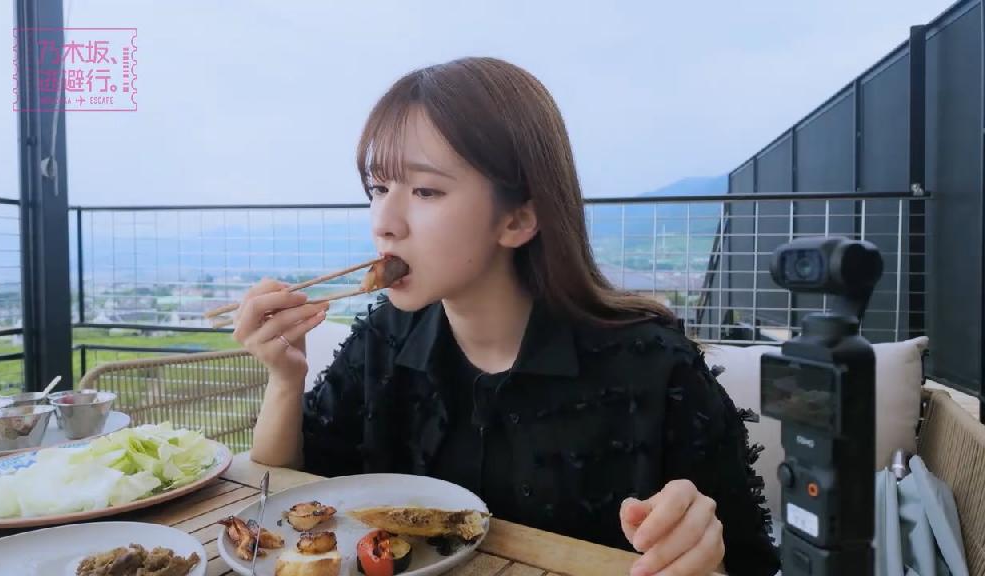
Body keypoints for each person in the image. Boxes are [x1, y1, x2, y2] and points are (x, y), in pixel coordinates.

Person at [235, 57, 779, 576]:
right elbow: (286, 505)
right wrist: (285, 379)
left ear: (517, 220)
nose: (384, 222)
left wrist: (701, 547)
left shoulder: (656, 368)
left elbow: (746, 558)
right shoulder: (383, 340)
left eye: (425, 190)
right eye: (378, 188)